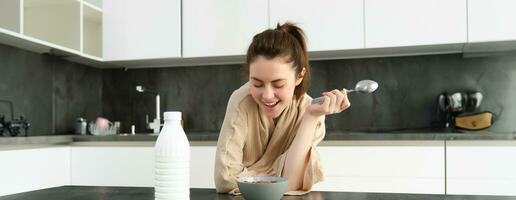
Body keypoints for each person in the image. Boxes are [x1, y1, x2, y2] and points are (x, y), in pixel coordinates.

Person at [214, 22, 350, 195]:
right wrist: (277, 178)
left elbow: (292, 183)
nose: (267, 95)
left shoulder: (311, 109)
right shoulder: (241, 101)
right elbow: (225, 179)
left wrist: (310, 118)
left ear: (299, 76)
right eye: (256, 84)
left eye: (278, 84)